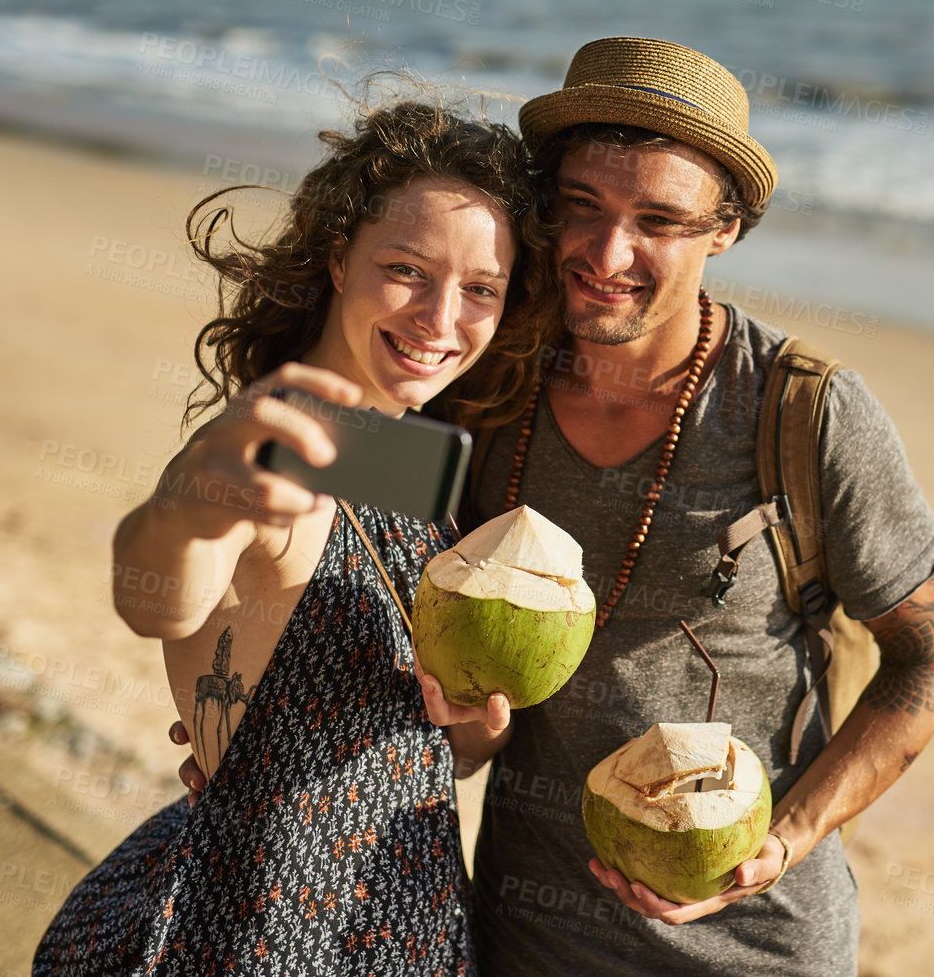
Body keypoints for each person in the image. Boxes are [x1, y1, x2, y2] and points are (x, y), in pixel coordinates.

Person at [449, 37, 934, 977]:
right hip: (528, 934)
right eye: (582, 207)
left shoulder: (803, 411)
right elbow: (323, 528)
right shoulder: (482, 380)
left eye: (659, 219)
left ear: (725, 229)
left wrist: (790, 836)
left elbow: (933, 653)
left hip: (755, 947)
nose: (609, 254)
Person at [33, 99, 555, 976]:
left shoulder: (405, 465)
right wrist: (194, 512)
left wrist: (473, 726)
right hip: (262, 935)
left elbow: (430, 752)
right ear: (338, 257)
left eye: (479, 291)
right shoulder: (262, 451)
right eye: (406, 270)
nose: (439, 318)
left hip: (397, 928)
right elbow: (159, 591)